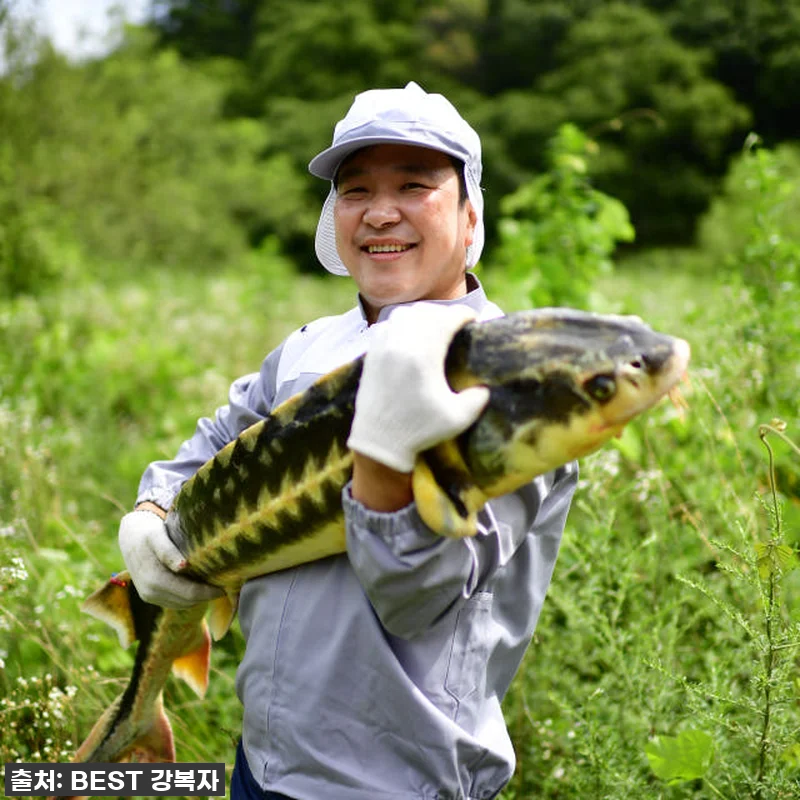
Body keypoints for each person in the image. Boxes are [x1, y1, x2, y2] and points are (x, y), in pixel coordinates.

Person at [119, 81, 578, 800]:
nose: (381, 211)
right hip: (263, 763)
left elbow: (416, 595)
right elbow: (220, 435)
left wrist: (383, 460)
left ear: (470, 214)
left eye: (415, 184)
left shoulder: (513, 383)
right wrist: (153, 509)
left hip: (398, 782)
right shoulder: (309, 348)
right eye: (356, 189)